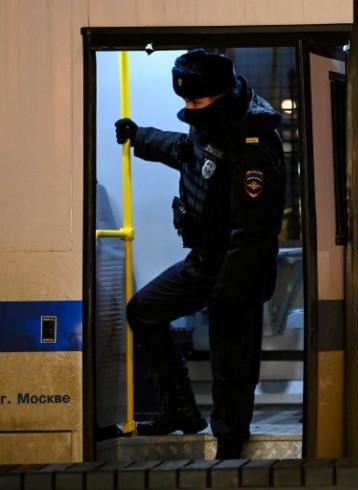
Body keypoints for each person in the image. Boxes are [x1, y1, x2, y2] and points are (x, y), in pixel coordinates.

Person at [114, 48, 285, 459]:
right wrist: (141, 137)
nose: (189, 110)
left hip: (238, 272)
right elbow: (187, 152)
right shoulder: (211, 121)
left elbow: (254, 234)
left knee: (232, 370)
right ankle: (183, 410)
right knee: (144, 311)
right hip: (205, 261)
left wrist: (226, 295)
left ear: (222, 94)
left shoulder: (253, 144)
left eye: (196, 102)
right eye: (185, 102)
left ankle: (229, 452)